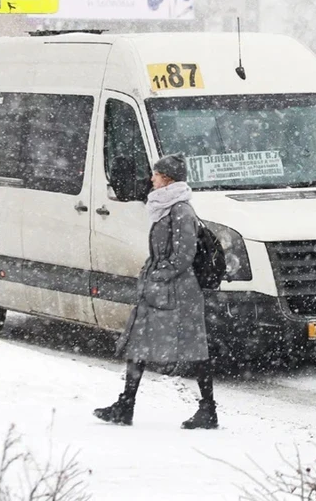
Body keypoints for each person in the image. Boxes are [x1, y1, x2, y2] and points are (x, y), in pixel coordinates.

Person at [94, 154, 218, 429]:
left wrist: (160, 275)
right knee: (139, 343)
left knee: (193, 348)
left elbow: (185, 254)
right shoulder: (164, 207)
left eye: (156, 174)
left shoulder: (181, 210)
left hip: (179, 291)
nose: (152, 178)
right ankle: (126, 405)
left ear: (168, 179)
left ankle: (208, 409)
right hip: (160, 288)